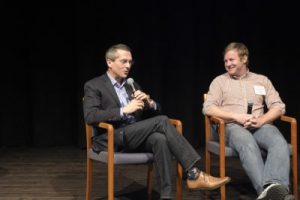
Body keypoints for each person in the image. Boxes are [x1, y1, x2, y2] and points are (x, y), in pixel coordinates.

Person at [83, 43, 230, 200]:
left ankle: (166, 196)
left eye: (130, 62)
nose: (128, 66)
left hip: (134, 135)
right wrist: (123, 110)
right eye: (123, 61)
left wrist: (149, 102)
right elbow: (90, 116)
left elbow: (155, 109)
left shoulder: (131, 85)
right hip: (111, 137)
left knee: (159, 139)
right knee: (162, 121)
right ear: (109, 62)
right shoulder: (94, 85)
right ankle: (194, 173)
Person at [203, 42, 294, 200]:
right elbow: (208, 108)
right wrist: (237, 116)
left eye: (231, 60)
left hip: (259, 125)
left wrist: (261, 120)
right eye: (225, 61)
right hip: (231, 126)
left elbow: (278, 106)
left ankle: (274, 188)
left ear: (244, 58)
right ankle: (270, 195)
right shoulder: (220, 81)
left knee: (279, 142)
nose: (228, 64)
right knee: (247, 141)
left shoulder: (261, 80)